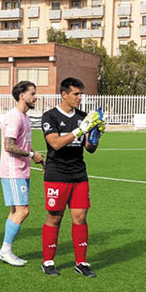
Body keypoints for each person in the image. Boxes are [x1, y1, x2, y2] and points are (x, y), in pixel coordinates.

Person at [40, 77, 103, 277]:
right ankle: (48, 261)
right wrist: (79, 130)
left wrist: (95, 135)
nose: (80, 98)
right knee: (55, 217)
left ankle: (81, 262)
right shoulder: (49, 116)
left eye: (81, 94)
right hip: (56, 174)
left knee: (80, 217)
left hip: (78, 174)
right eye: (76, 94)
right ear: (64, 94)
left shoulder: (83, 116)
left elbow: (90, 149)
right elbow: (56, 144)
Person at [0, 81, 45, 266]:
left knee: (15, 211)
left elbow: (22, 143)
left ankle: (6, 250)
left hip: (20, 170)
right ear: (22, 95)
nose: (36, 97)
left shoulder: (24, 117)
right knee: (23, 211)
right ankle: (5, 250)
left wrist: (35, 158)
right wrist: (32, 154)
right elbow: (9, 146)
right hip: (13, 171)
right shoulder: (15, 117)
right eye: (32, 93)